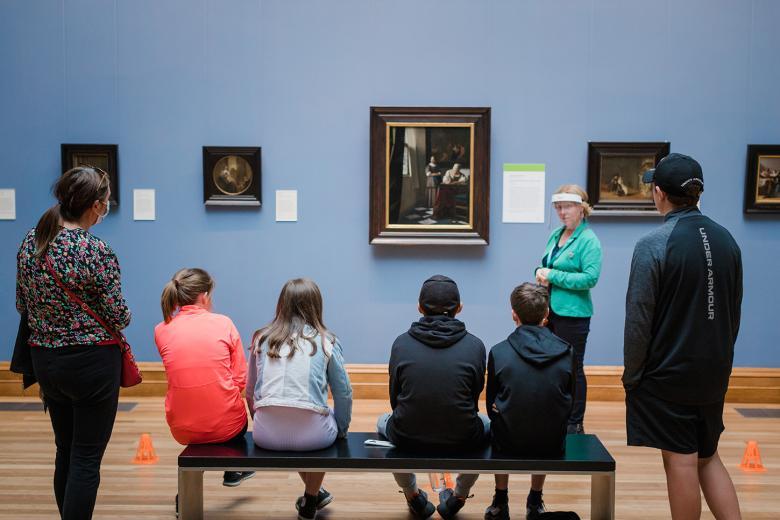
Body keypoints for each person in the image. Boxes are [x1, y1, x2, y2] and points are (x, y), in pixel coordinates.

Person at [624, 153, 743, 520]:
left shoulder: (653, 244)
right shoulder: (727, 241)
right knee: (708, 457)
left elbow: (639, 319)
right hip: (714, 369)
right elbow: (733, 312)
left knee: (681, 462)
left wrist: (632, 374)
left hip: (669, 375)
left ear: (658, 193)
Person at [15, 166, 131, 519]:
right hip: (92, 364)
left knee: (65, 450)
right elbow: (119, 315)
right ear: (96, 206)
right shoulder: (95, 250)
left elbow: (23, 304)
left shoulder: (31, 241)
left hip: (46, 362)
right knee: (86, 457)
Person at [377, 275, 488, 520]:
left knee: (382, 420)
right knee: (488, 425)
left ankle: (412, 495)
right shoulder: (476, 346)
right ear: (459, 308)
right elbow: (473, 398)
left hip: (407, 433)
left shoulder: (401, 343)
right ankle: (458, 496)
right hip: (463, 435)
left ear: (419, 308)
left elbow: (395, 400)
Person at [247, 278, 352, 520]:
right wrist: (342, 429)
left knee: (291, 416)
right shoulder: (327, 341)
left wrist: (261, 419)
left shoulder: (261, 338)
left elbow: (250, 390)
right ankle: (311, 497)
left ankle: (315, 494)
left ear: (281, 304)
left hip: (265, 435)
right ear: (316, 306)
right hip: (314, 436)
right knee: (312, 421)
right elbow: (343, 393)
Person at [153, 267, 254, 512]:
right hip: (228, 427)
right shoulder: (223, 323)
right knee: (230, 419)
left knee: (200, 424)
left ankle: (187, 496)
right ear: (205, 296)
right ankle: (233, 468)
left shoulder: (161, 329)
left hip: (182, 428)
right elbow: (241, 379)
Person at [484, 283, 575, 520]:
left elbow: (490, 405)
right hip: (552, 441)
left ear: (514, 313)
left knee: (501, 419)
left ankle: (500, 499)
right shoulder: (567, 351)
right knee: (547, 416)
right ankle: (535, 499)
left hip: (508, 440)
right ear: (547, 315)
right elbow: (570, 399)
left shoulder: (498, 351)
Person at [535, 184, 602, 434]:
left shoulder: (589, 240)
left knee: (573, 368)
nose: (562, 213)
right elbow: (544, 264)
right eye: (558, 208)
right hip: (549, 310)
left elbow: (590, 279)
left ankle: (575, 422)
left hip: (573, 314)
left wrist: (552, 275)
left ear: (582, 209)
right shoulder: (556, 235)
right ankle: (554, 414)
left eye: (567, 207)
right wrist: (540, 273)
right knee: (551, 365)